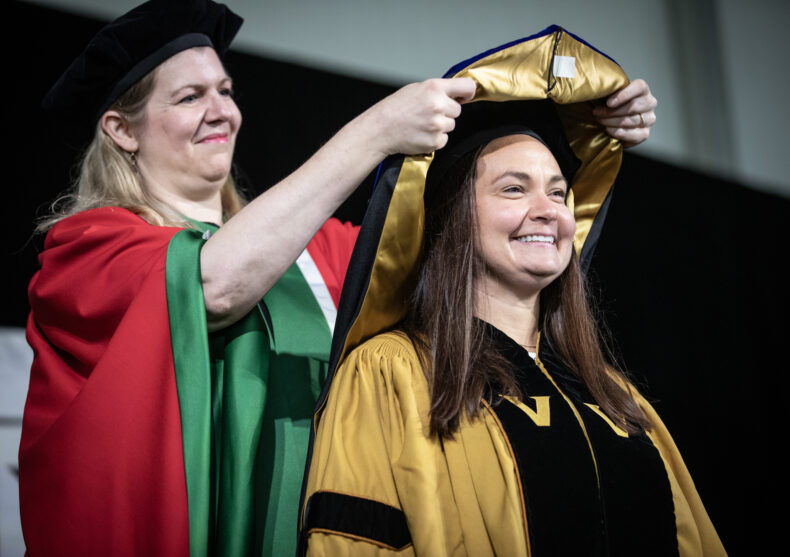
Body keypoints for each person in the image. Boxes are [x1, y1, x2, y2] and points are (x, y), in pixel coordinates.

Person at [19, 3, 655, 556]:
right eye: (190, 97)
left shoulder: (316, 252)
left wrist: (588, 128)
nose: (223, 112)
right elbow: (210, 285)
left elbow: (479, 252)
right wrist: (376, 131)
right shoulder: (87, 251)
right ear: (121, 130)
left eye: (226, 90)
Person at [300, 27, 725, 556]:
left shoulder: (614, 395)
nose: (548, 209)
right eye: (513, 188)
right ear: (453, 218)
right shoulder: (392, 374)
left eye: (557, 191)